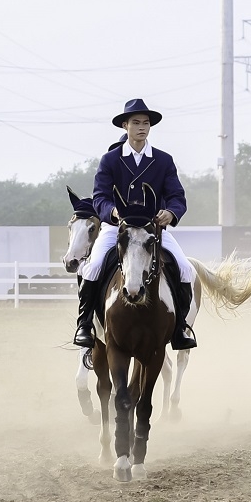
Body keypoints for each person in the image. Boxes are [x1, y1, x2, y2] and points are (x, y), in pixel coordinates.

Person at [73, 98, 197, 351]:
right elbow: (100, 197)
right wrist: (112, 212)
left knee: (185, 268)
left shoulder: (163, 160)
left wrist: (171, 214)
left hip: (152, 228)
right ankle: (85, 324)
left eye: (146, 123)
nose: (142, 127)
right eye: (136, 123)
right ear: (125, 126)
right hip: (116, 227)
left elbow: (176, 196)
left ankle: (181, 327)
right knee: (93, 265)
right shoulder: (110, 159)